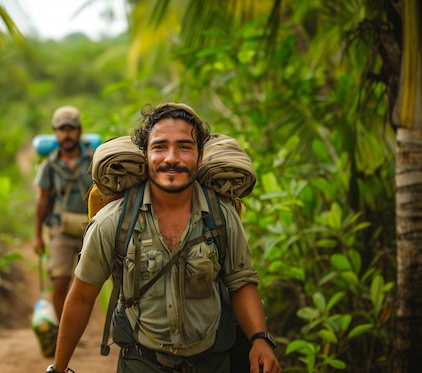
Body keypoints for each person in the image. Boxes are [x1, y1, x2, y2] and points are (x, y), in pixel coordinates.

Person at [45, 103, 281, 373]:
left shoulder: (221, 217)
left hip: (213, 362)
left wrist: (259, 339)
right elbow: (82, 297)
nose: (171, 158)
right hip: (140, 362)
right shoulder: (113, 221)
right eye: (159, 147)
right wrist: (59, 368)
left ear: (200, 156)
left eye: (184, 146)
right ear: (145, 155)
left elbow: (240, 282)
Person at [33, 105, 94, 320]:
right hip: (62, 229)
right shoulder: (49, 165)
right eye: (62, 129)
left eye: (71, 129)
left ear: (79, 130)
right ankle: (63, 332)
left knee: (108, 281)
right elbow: (42, 201)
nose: (66, 134)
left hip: (92, 228)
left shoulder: (95, 159)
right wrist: (38, 236)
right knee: (59, 283)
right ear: (55, 132)